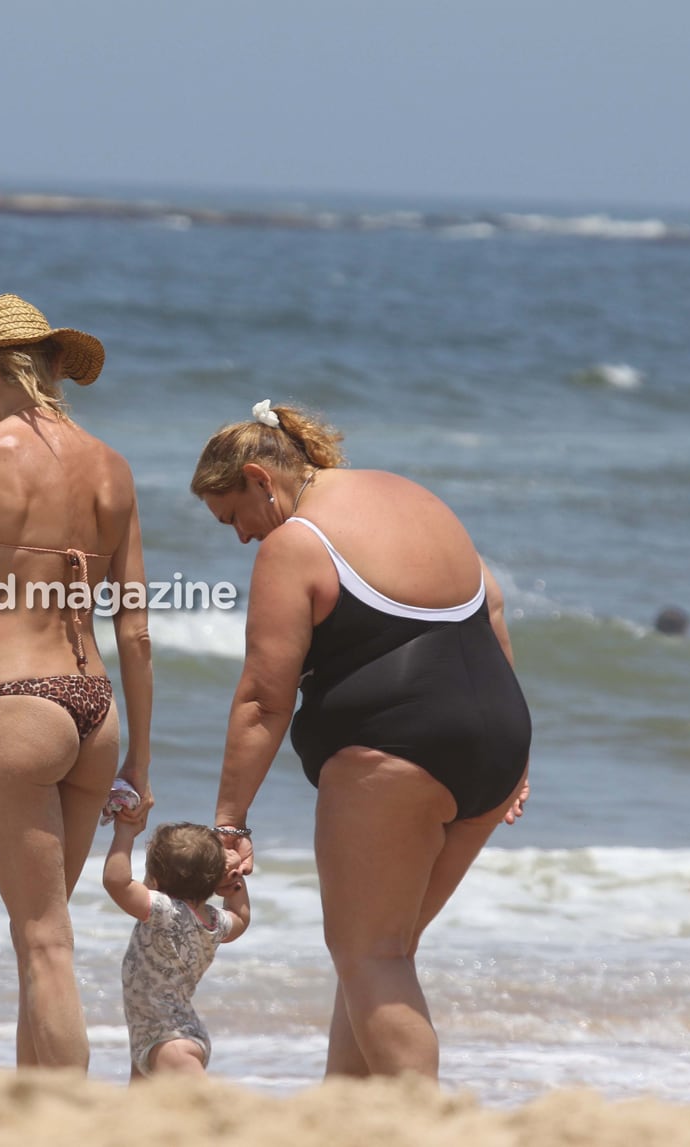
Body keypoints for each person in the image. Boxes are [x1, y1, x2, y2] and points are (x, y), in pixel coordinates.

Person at [190, 400, 530, 1082]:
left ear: (260, 479)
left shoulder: (298, 541)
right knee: (378, 954)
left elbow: (263, 697)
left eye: (234, 518)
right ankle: (344, 1115)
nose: (242, 539)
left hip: (395, 753)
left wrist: (228, 823)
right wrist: (513, 761)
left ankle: (427, 1128)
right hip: (499, 743)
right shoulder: (412, 496)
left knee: (371, 954)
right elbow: (490, 601)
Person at [0, 295, 154, 1072]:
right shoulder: (114, 467)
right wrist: (139, 765)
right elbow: (136, 630)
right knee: (44, 930)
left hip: (19, 701)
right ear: (58, 368)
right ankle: (32, 1107)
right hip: (98, 711)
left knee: (43, 940)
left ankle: (64, 1117)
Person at [103, 820, 250, 1080]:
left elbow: (116, 882)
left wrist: (124, 832)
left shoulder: (163, 910)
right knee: (139, 1112)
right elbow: (240, 917)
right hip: (166, 1032)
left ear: (156, 880)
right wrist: (235, 880)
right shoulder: (214, 922)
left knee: (203, 1104)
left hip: (168, 1039)